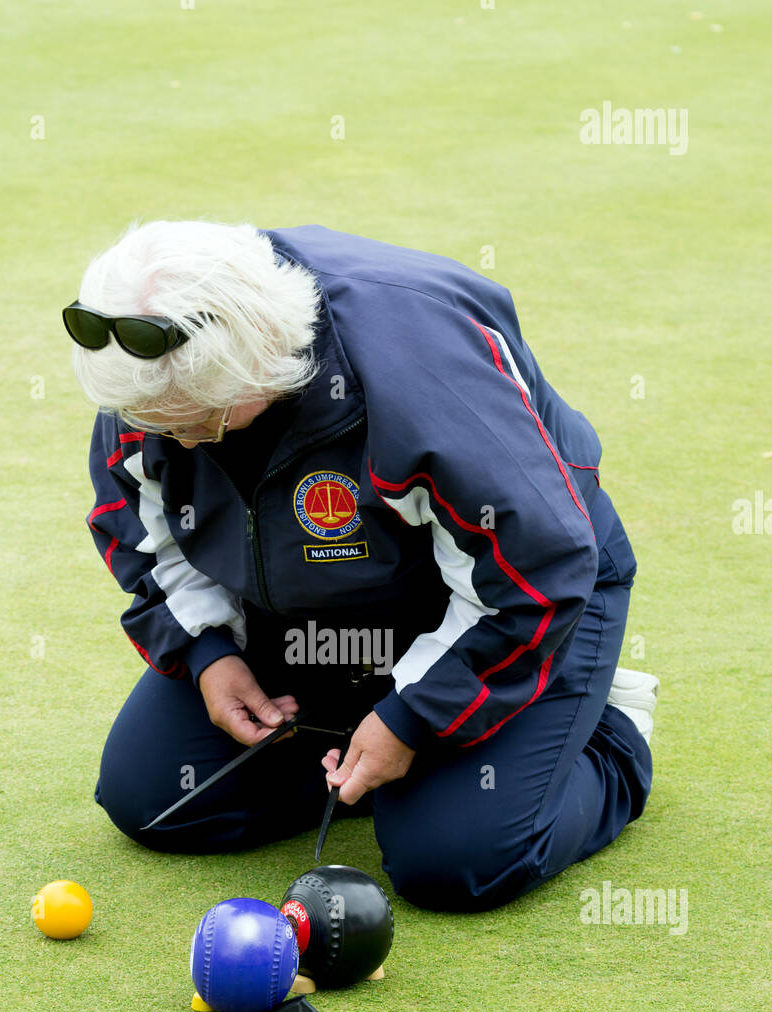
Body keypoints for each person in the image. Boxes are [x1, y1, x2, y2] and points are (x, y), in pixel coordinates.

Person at [63, 219, 657, 912]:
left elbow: (537, 569)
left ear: (265, 363)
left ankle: (606, 733)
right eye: (155, 422)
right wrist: (209, 654)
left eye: (201, 422)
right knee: (156, 797)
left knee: (454, 860)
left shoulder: (420, 367)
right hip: (307, 611)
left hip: (514, 601)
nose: (177, 439)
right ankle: (379, 744)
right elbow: (137, 528)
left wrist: (410, 718)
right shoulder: (146, 371)